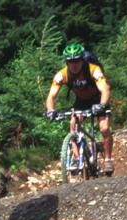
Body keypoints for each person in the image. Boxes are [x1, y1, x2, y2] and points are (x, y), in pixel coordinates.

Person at [45, 42, 114, 173]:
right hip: (81, 101)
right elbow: (51, 96)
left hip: (99, 99)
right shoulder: (62, 74)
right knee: (73, 127)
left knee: (104, 129)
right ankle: (78, 160)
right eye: (70, 61)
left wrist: (102, 105)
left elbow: (105, 89)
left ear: (82, 60)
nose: (74, 64)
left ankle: (108, 160)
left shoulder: (93, 70)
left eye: (77, 60)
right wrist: (50, 110)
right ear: (66, 62)